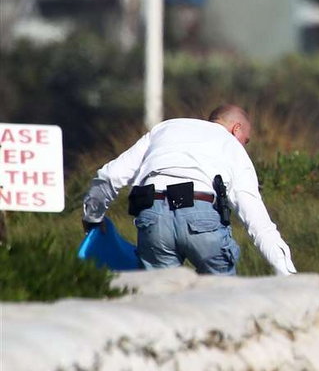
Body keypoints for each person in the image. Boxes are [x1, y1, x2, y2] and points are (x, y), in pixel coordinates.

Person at [81, 104, 296, 276]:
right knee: (222, 296)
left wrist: (93, 218)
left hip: (152, 217)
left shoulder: (166, 128)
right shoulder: (231, 145)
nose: (244, 145)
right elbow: (257, 220)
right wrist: (286, 272)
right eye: (245, 140)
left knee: (162, 301)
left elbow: (110, 175)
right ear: (236, 129)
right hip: (200, 216)